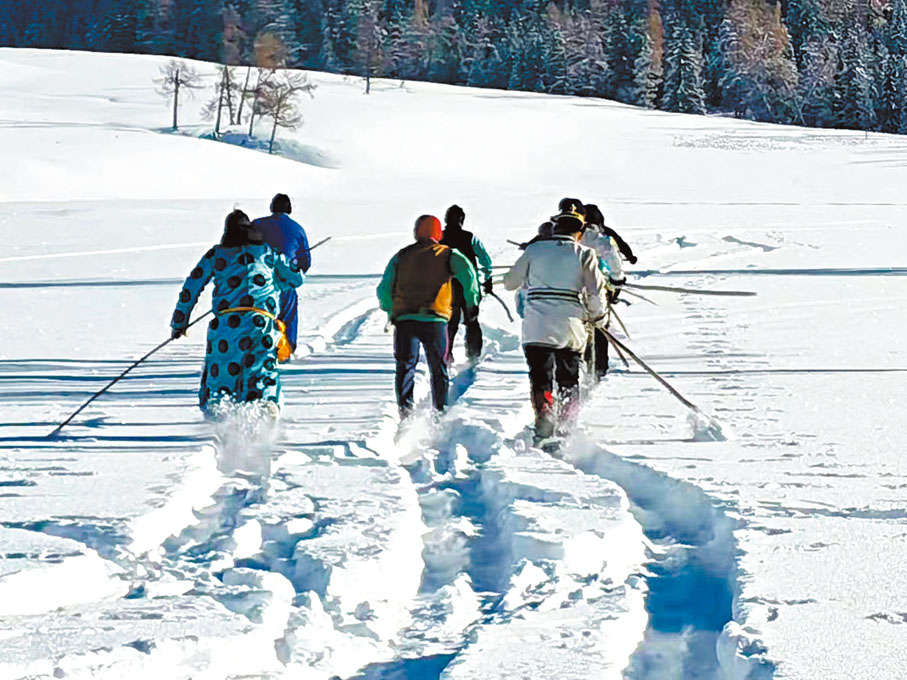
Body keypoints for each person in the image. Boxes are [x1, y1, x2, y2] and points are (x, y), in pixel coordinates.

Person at [170, 209, 303, 415]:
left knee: (222, 374)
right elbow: (296, 279)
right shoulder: (267, 252)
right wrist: (276, 284)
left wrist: (180, 322)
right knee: (263, 371)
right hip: (262, 322)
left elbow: (191, 286)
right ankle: (266, 406)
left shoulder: (216, 254)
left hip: (226, 325)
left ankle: (219, 410)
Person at [503, 205, 608, 439]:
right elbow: (595, 292)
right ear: (579, 232)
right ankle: (567, 424)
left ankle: (544, 418)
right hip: (570, 326)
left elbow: (510, 282)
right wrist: (598, 317)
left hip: (537, 325)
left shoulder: (535, 250)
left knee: (540, 375)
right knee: (569, 377)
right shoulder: (584, 254)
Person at [377, 215, 480, 417]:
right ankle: (440, 410)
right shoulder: (449, 254)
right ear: (438, 233)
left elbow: (383, 289)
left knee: (405, 366)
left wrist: (391, 310)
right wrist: (471, 303)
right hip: (436, 320)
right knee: (438, 366)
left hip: (405, 319)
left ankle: (405, 410)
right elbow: (469, 277)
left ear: (417, 232)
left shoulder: (401, 256)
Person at [253, 194, 311, 355]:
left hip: (257, 283)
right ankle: (286, 349)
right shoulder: (297, 229)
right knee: (288, 314)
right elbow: (305, 261)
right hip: (285, 282)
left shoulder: (257, 224)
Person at [440, 204, 493, 361]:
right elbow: (485, 261)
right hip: (469, 285)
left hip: (446, 284)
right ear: (462, 220)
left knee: (450, 321)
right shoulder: (470, 238)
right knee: (472, 320)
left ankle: (446, 353)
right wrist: (487, 279)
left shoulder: (439, 238)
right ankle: (473, 354)